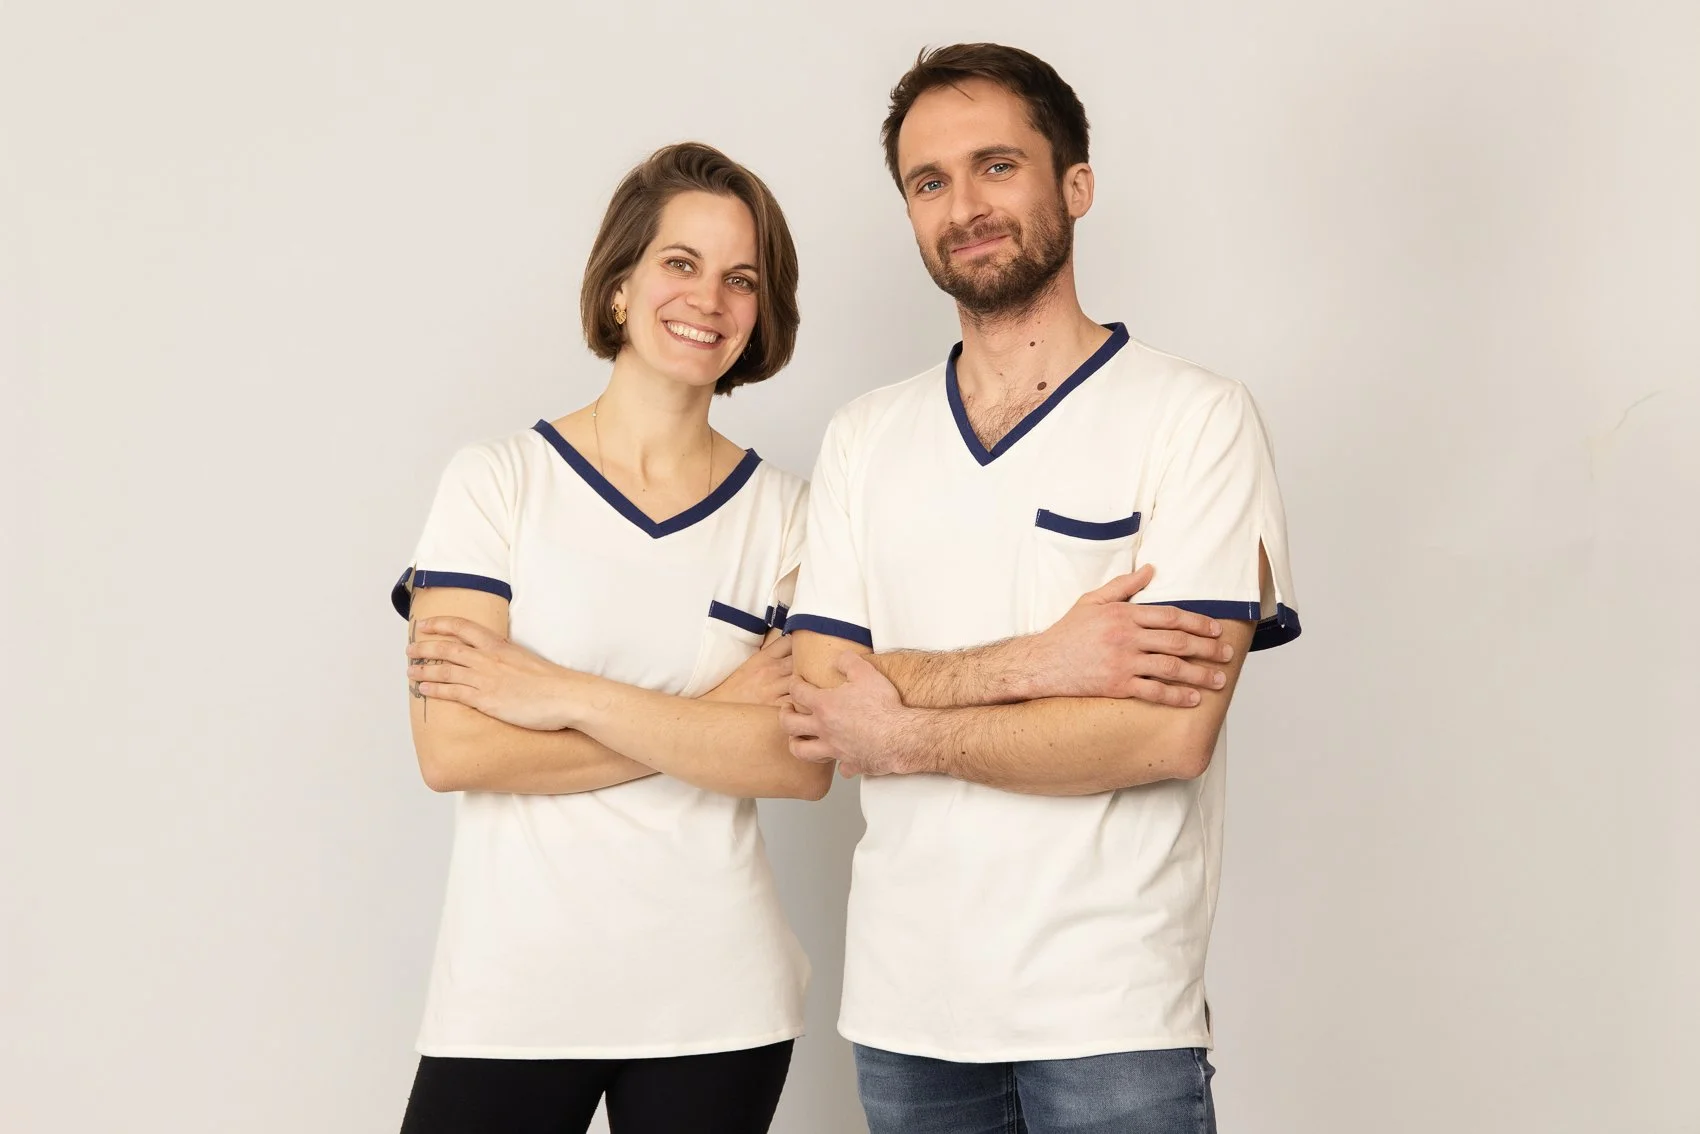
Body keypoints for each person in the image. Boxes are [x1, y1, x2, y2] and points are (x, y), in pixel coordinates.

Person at [780, 44, 1302, 1134]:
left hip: (1110, 1015)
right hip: (904, 1016)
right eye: (929, 183)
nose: (962, 205)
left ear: (1074, 184)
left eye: (995, 166)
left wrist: (908, 727)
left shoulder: (1193, 419)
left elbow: (1161, 739)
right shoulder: (865, 437)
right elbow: (823, 693)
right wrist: (1040, 664)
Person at [389, 141, 829, 1134]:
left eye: (741, 279)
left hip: (716, 997)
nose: (708, 299)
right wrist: (708, 723)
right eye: (680, 263)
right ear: (622, 283)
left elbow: (798, 764)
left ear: (761, 313)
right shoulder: (494, 483)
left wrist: (564, 692)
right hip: (509, 994)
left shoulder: (790, 518)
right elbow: (453, 748)